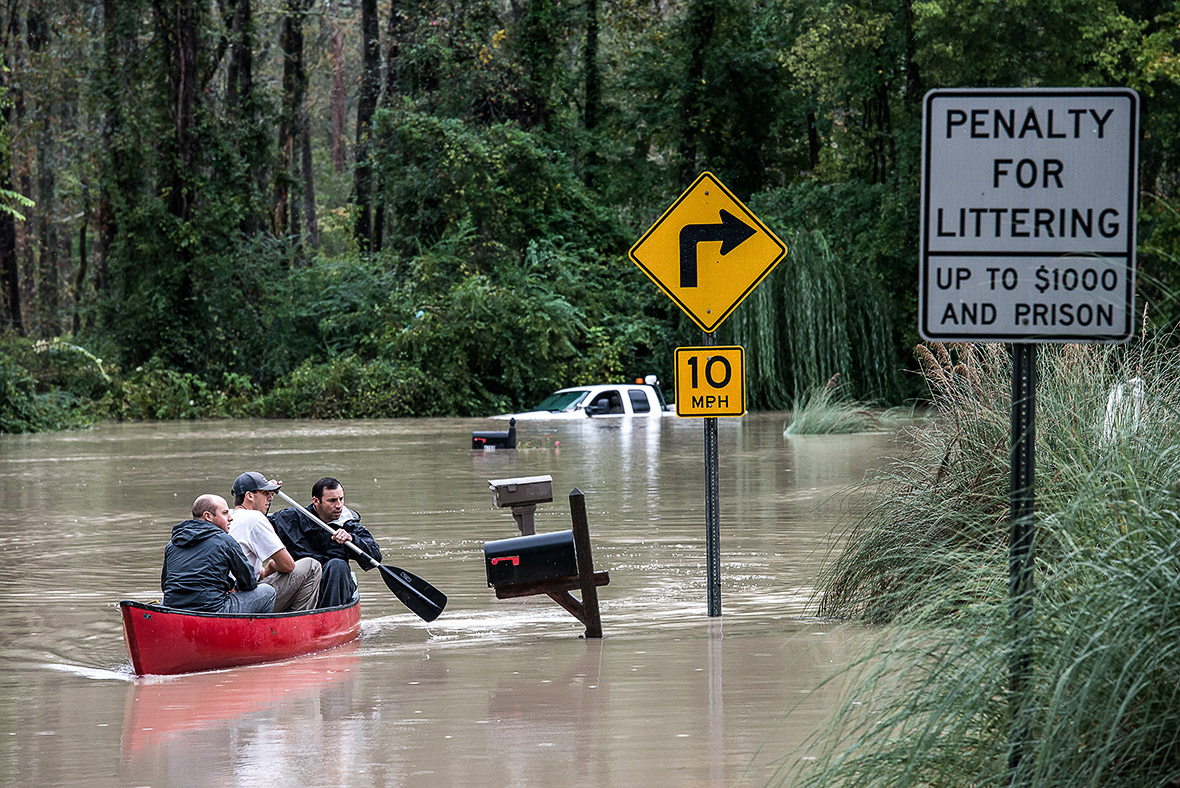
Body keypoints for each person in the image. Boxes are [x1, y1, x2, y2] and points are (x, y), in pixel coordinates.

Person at [270, 477, 382, 607]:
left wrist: (352, 539)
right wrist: (265, 494)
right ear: (316, 501)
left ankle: (329, 615)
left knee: (337, 565)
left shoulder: (349, 525)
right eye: (332, 500)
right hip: (300, 589)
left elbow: (375, 557)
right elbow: (255, 525)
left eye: (341, 499)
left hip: (334, 591)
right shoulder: (290, 519)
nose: (339, 505)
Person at [162, 494, 276, 614]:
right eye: (225, 513)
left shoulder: (173, 543)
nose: (230, 518)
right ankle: (253, 632)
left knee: (164, 600)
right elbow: (249, 582)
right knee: (267, 592)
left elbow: (166, 586)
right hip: (213, 610)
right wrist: (232, 587)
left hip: (174, 610)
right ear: (208, 516)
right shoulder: (225, 541)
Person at [229, 471, 322, 612]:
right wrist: (272, 566)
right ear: (249, 496)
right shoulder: (254, 518)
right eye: (265, 494)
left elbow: (253, 572)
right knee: (311, 566)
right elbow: (287, 565)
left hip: (229, 595)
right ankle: (296, 623)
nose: (270, 498)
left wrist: (269, 570)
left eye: (271, 494)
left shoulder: (227, 517)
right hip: (242, 599)